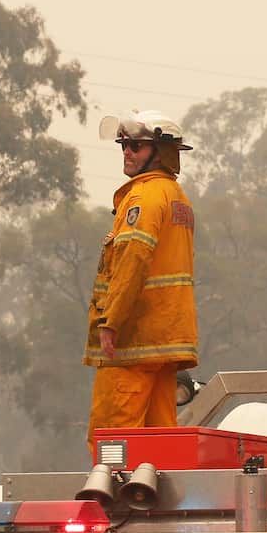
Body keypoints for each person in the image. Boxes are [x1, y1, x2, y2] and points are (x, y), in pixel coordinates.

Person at [83, 110, 198, 459]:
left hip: (132, 342)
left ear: (159, 151)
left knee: (112, 439)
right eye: (124, 146)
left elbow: (132, 261)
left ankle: (113, 504)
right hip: (163, 342)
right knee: (159, 443)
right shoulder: (175, 197)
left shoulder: (142, 198)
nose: (127, 152)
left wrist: (111, 321)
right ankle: (160, 508)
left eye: (136, 146)